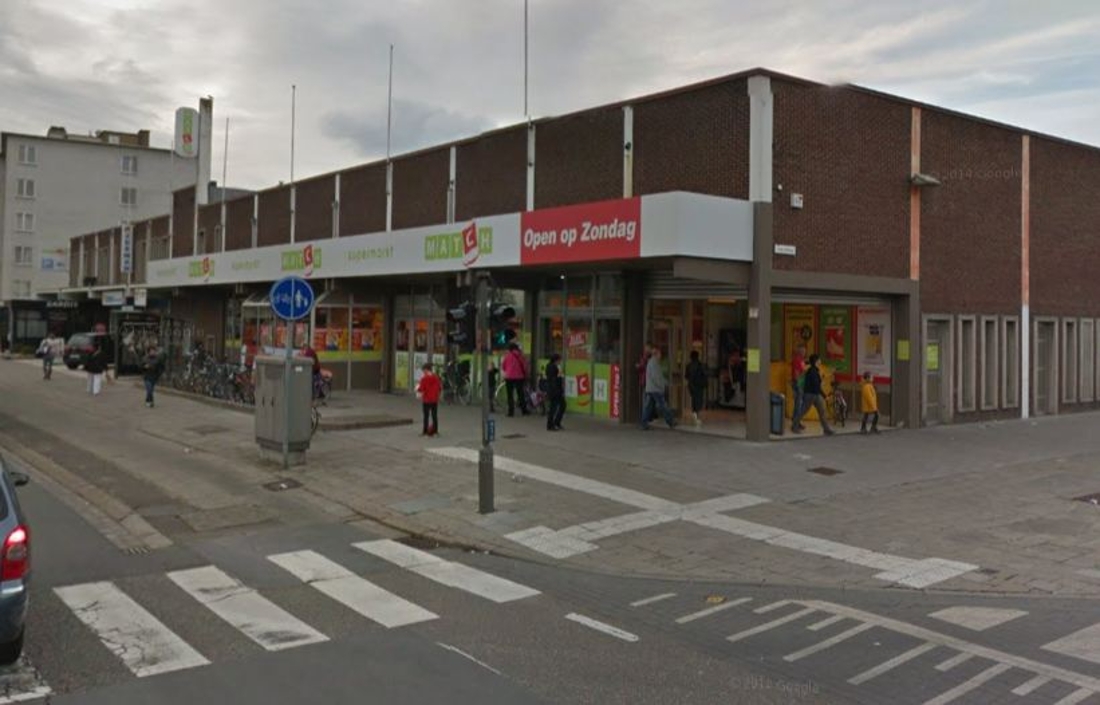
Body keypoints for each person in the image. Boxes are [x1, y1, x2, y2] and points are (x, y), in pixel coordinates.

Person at [792, 354, 834, 436]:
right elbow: (816, 385)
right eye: (819, 360)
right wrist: (824, 396)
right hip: (810, 395)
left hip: (815, 394)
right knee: (803, 411)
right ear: (816, 361)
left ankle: (826, 429)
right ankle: (794, 426)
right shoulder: (812, 371)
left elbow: (817, 384)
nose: (820, 361)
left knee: (822, 411)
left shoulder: (815, 371)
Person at [642, 348, 677, 430]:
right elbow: (656, 377)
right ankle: (670, 421)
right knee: (663, 405)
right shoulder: (654, 363)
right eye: (659, 354)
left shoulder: (652, 363)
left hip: (650, 388)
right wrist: (662, 385)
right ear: (656, 355)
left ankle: (644, 422)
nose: (660, 356)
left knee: (648, 407)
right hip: (655, 389)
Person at [501, 343, 530, 417]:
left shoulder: (507, 356)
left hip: (509, 377)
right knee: (521, 394)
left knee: (510, 395)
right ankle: (524, 410)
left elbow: (503, 366)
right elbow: (524, 366)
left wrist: (508, 371)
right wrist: (526, 374)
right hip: (519, 377)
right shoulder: (520, 356)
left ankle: (511, 412)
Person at [416, 362, 442, 436]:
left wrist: (417, 390)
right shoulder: (436, 378)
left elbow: (421, 389)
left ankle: (425, 431)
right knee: (434, 415)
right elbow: (439, 388)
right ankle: (435, 431)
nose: (423, 372)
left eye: (423, 370)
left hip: (426, 400)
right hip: (434, 399)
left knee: (426, 416)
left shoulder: (424, 379)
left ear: (426, 370)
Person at [684, 350, 708, 426]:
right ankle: (697, 416)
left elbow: (686, 376)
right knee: (698, 400)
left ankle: (694, 414)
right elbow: (704, 375)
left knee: (694, 400)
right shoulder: (701, 365)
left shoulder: (688, 366)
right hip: (699, 386)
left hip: (691, 386)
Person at [545, 353, 565, 431]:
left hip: (553, 390)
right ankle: (551, 424)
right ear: (556, 360)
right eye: (559, 360)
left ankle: (555, 423)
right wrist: (559, 390)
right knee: (554, 407)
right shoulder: (555, 368)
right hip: (555, 390)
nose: (560, 361)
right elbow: (556, 379)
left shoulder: (549, 366)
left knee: (559, 406)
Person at [790, 343, 807, 432]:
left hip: (801, 383)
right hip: (798, 384)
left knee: (798, 404)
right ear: (799, 351)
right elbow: (796, 373)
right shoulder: (797, 360)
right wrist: (798, 384)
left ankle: (797, 421)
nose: (804, 352)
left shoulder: (801, 360)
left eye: (804, 351)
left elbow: (802, 371)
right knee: (798, 404)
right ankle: (795, 425)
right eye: (802, 350)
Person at [142, 343, 165, 408]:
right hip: (147, 377)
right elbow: (140, 366)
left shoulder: (158, 359)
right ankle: (148, 401)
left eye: (153, 351)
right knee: (149, 389)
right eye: (151, 351)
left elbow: (161, 367)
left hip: (154, 377)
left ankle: (151, 401)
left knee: (151, 390)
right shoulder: (145, 358)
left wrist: (159, 374)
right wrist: (144, 367)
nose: (152, 352)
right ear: (149, 352)